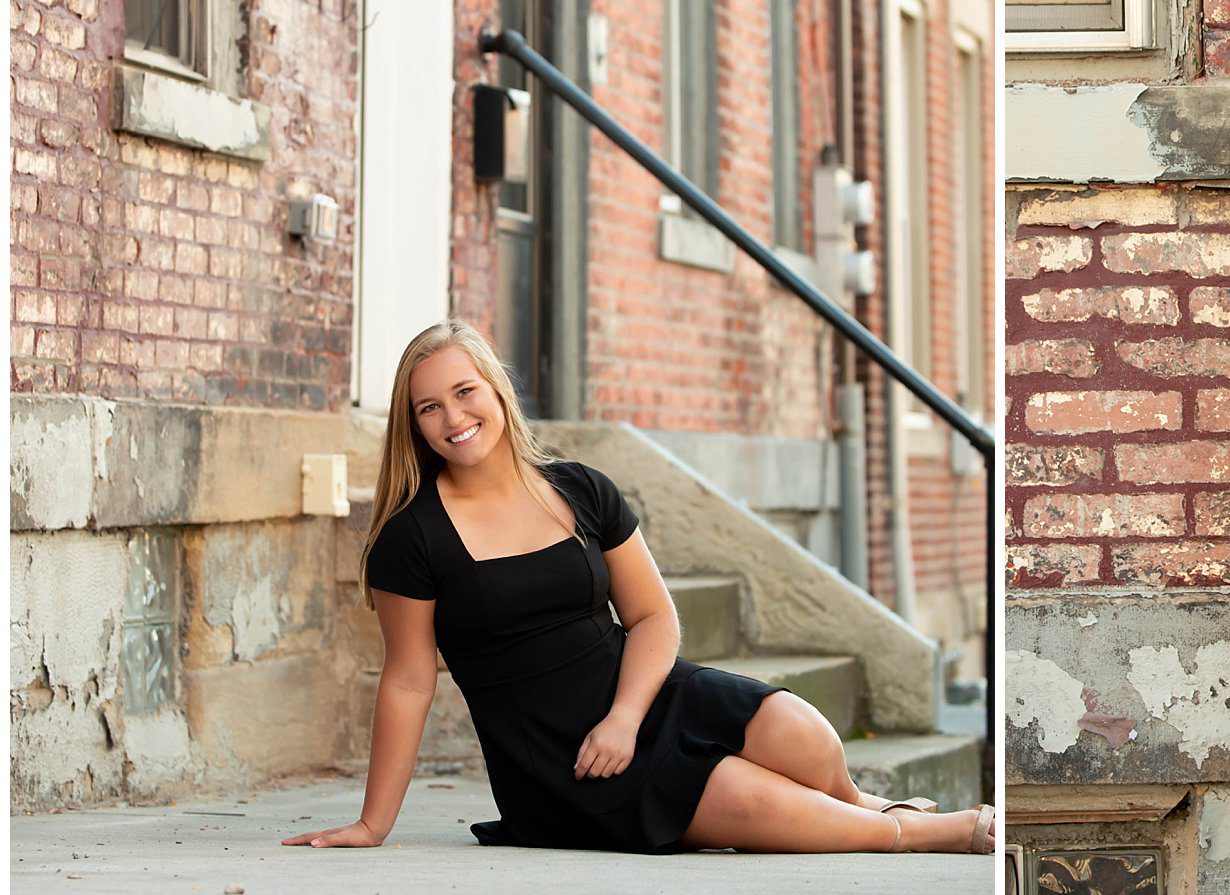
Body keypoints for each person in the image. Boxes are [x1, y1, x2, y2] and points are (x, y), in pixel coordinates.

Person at [285, 320, 992, 856]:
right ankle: (921, 831)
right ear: (414, 424)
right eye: (427, 407)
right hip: (563, 759)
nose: (452, 417)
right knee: (750, 803)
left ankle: (852, 800)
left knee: (803, 733)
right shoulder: (412, 538)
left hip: (642, 697)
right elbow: (409, 679)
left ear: (496, 389)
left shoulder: (580, 488)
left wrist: (626, 716)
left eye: (464, 391)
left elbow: (653, 616)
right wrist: (374, 823)